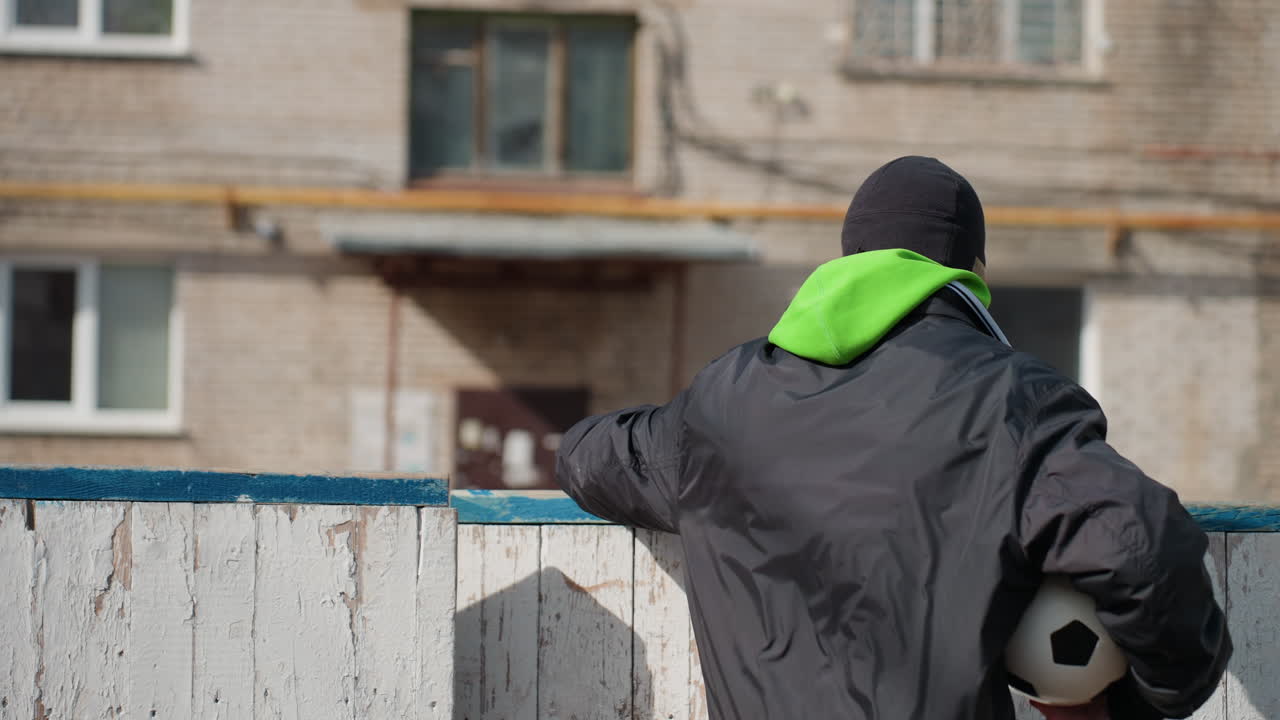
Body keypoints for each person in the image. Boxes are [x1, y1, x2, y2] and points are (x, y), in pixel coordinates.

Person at [554, 156, 1231, 720]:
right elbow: (1139, 548)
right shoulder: (1014, 402)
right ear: (971, 269)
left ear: (850, 261)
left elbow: (586, 459)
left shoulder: (723, 403)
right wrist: (1155, 696)